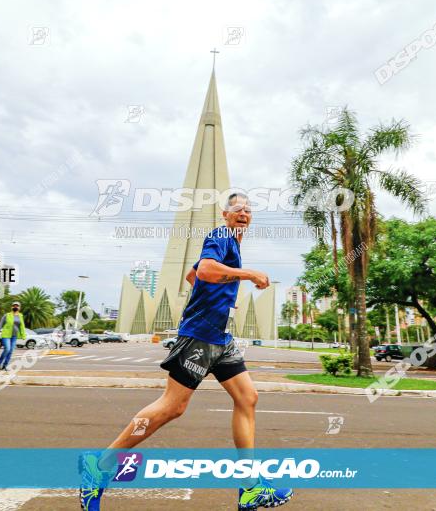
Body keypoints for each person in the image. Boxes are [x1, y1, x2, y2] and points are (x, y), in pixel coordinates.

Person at [78, 193, 293, 510]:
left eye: (248, 209)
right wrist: (247, 275)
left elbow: (193, 275)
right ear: (225, 214)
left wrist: (222, 295)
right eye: (237, 209)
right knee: (172, 407)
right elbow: (205, 270)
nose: (244, 213)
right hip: (200, 336)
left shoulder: (231, 245)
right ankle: (100, 465)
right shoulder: (221, 235)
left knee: (248, 397)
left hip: (220, 338)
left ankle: (249, 487)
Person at [0, 301, 26, 371]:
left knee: (11, 351)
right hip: (6, 335)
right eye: (14, 305)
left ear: (19, 308)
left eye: (17, 306)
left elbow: (22, 326)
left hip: (14, 336)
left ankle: (5, 366)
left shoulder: (20, 316)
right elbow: (0, 324)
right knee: (7, 349)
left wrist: (23, 335)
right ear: (11, 307)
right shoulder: (7, 315)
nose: (15, 307)